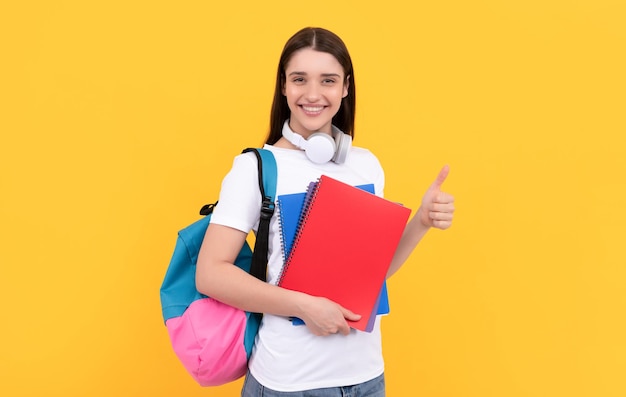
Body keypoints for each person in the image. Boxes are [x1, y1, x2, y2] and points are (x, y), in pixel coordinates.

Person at [196, 27, 455, 396]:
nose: (313, 94)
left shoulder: (366, 165)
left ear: (346, 87)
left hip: (366, 378)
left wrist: (422, 222)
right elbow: (210, 274)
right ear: (283, 86)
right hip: (290, 382)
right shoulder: (256, 168)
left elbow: (371, 276)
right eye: (299, 79)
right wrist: (303, 306)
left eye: (328, 80)